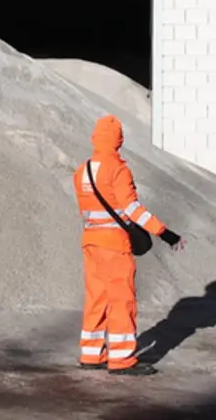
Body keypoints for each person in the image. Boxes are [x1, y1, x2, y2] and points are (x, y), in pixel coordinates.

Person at [75, 114, 185, 376]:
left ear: (94, 138)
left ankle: (91, 354)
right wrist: (165, 233)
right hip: (114, 245)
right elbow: (132, 208)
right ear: (119, 140)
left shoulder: (82, 171)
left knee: (96, 298)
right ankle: (122, 360)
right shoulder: (118, 170)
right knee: (121, 300)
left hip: (91, 241)